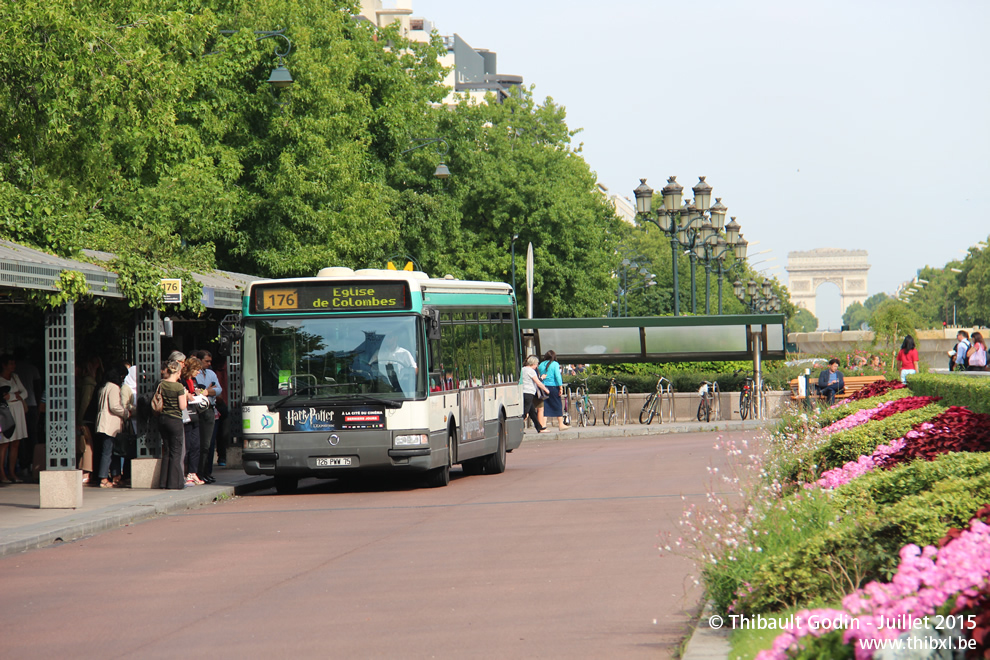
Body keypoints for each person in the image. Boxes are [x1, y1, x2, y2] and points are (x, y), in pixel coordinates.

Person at [93, 364, 130, 489]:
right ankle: (103, 478)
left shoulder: (104, 386)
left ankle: (115, 476)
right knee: (108, 451)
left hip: (103, 423)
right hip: (110, 424)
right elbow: (114, 406)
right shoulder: (114, 387)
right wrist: (126, 413)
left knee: (111, 451)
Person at [157, 357, 188, 490]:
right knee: (176, 452)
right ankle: (175, 483)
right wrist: (185, 395)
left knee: (167, 451)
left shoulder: (162, 384)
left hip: (163, 419)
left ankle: (163, 482)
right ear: (178, 372)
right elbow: (182, 406)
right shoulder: (179, 386)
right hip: (175, 420)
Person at [193, 350, 222, 484]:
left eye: (210, 361)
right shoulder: (195, 374)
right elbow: (195, 390)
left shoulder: (211, 373)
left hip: (210, 409)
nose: (209, 364)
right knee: (200, 444)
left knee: (208, 444)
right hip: (198, 410)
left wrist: (206, 391)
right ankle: (198, 472)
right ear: (199, 360)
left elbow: (218, 389)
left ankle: (206, 472)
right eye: (207, 361)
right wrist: (208, 391)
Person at [0, 354, 29, 483]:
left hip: (18, 410)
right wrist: (14, 396)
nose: (13, 366)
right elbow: (3, 397)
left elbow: (25, 392)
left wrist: (11, 396)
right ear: (4, 365)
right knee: (4, 443)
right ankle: (2, 473)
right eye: (10, 363)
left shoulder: (15, 377)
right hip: (6, 411)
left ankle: (12, 473)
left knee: (15, 443)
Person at [181, 356, 207, 487]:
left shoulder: (194, 380)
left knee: (196, 445)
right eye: (196, 369)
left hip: (195, 414)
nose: (198, 372)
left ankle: (193, 472)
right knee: (188, 445)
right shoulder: (183, 381)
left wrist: (198, 393)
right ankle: (186, 473)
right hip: (186, 415)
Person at [538, 350, 569, 431]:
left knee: (545, 406)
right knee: (557, 404)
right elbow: (558, 376)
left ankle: (543, 425)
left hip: (543, 387)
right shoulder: (555, 364)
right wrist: (560, 387)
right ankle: (561, 424)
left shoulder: (541, 364)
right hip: (553, 387)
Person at [520, 355, 549, 433]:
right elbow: (538, 382)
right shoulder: (531, 371)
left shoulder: (522, 369)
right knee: (525, 412)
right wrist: (546, 390)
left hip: (522, 392)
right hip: (529, 393)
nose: (537, 366)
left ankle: (539, 427)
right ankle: (518, 429)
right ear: (533, 364)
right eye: (536, 364)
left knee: (532, 412)